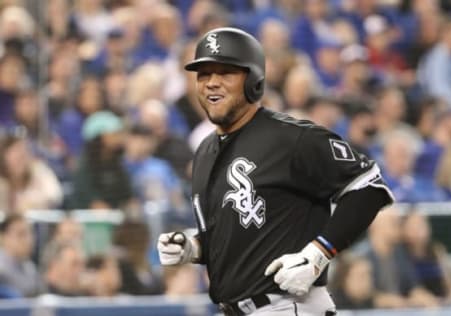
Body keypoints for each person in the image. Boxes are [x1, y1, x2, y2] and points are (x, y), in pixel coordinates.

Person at [157, 27, 393, 316]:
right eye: (204, 74)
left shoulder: (291, 138)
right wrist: (192, 248)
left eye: (226, 73)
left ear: (253, 80)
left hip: (289, 306)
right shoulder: (205, 151)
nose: (211, 83)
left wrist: (318, 254)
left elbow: (369, 186)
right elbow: (230, 237)